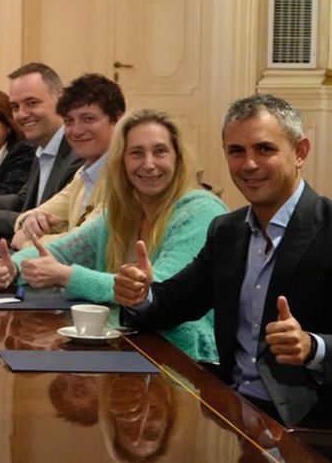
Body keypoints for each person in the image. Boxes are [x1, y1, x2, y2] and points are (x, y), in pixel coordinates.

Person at [116, 95, 332, 427]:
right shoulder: (226, 231)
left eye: (264, 149)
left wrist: (312, 347)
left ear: (300, 151)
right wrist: (140, 295)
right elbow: (175, 302)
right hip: (228, 410)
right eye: (236, 151)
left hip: (308, 425)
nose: (249, 164)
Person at [0, 109, 225, 362]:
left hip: (185, 357)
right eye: (136, 153)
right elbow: (60, 251)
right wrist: (11, 266)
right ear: (121, 162)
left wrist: (67, 276)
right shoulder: (121, 212)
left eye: (160, 151)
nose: (149, 163)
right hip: (123, 345)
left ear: (178, 158)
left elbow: (161, 291)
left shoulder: (201, 212)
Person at [0, 63, 83, 236]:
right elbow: (21, 200)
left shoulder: (78, 155)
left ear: (61, 100)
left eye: (32, 103)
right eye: (15, 107)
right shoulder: (42, 149)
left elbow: (53, 225)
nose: (22, 114)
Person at [10, 73, 125, 248]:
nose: (76, 131)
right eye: (69, 121)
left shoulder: (125, 175)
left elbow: (86, 244)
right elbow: (29, 217)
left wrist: (27, 242)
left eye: (88, 119)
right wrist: (31, 221)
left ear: (118, 120)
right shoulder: (84, 173)